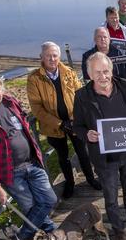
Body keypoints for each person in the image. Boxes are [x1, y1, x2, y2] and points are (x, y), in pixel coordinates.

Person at [0, 70, 57, 240]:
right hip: (11, 172)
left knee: (49, 199)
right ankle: (51, 233)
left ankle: (22, 237)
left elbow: (25, 127)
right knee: (30, 207)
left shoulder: (10, 102)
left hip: (33, 162)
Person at [72, 53, 126, 240]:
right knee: (111, 197)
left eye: (106, 71)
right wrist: (87, 134)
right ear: (89, 74)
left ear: (111, 71)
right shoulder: (82, 96)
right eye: (98, 73)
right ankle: (118, 230)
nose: (103, 76)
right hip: (104, 158)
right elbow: (77, 126)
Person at [27, 42, 101, 199]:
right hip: (53, 126)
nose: (52, 59)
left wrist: (77, 119)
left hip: (75, 123)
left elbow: (81, 96)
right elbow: (36, 108)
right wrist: (60, 123)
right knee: (63, 156)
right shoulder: (34, 79)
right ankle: (70, 183)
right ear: (41, 57)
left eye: (55, 55)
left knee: (83, 152)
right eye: (48, 55)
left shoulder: (68, 72)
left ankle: (90, 178)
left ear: (59, 56)